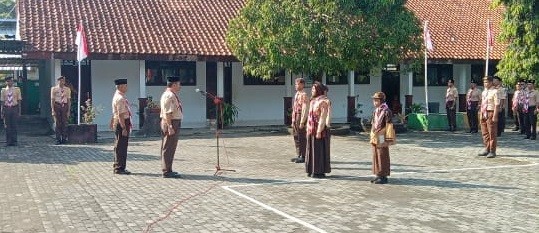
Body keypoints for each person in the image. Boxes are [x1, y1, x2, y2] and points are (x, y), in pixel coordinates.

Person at [305, 82, 331, 178]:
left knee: (319, 151)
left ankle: (319, 171)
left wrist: (319, 131)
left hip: (320, 129)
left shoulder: (323, 101)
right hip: (311, 129)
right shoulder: (313, 101)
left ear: (318, 90)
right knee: (311, 150)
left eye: (313, 89)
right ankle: (311, 169)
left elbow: (323, 117)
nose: (312, 91)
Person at [160, 76, 183, 178]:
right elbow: (168, 113)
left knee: (170, 146)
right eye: (178, 84)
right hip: (171, 122)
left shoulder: (171, 94)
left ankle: (168, 169)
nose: (180, 86)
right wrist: (170, 126)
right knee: (168, 146)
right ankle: (166, 170)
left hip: (173, 122)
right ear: (173, 85)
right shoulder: (169, 96)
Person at [369, 92, 393, 184]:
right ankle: (378, 174)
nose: (374, 102)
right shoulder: (376, 111)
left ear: (381, 100)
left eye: (376, 100)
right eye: (374, 100)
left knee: (382, 154)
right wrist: (372, 134)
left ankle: (383, 176)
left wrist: (388, 139)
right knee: (375, 154)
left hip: (382, 135)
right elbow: (373, 123)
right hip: (375, 135)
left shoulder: (386, 111)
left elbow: (389, 126)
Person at [110, 78, 132, 175]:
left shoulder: (119, 96)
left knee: (120, 145)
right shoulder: (120, 98)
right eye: (125, 85)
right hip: (122, 122)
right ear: (120, 86)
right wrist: (123, 128)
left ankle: (120, 166)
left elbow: (115, 112)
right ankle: (119, 167)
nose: (126, 87)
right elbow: (120, 114)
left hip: (119, 121)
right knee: (121, 146)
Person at [478, 76, 499, 158]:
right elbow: (482, 103)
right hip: (484, 112)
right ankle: (486, 148)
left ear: (491, 82)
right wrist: (480, 114)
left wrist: (495, 116)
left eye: (486, 82)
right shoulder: (484, 92)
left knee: (492, 133)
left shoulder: (495, 91)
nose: (485, 84)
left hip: (491, 112)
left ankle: (492, 150)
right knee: (484, 133)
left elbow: (497, 105)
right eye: (484, 82)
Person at [290, 78, 309, 163]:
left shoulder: (304, 95)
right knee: (296, 136)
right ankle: (299, 154)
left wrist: (302, 121)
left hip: (300, 115)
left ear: (302, 85)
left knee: (301, 136)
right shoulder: (297, 94)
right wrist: (293, 120)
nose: (296, 86)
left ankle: (304, 155)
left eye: (297, 84)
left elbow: (305, 109)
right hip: (296, 115)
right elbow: (294, 108)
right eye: (295, 84)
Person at [1, 76, 22, 146]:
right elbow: (2, 101)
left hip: (14, 107)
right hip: (7, 108)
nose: (10, 82)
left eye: (11, 81)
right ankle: (8, 141)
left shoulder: (17, 89)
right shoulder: (3, 90)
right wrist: (2, 111)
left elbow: (19, 100)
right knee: (7, 126)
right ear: (6, 82)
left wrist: (19, 111)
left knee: (14, 125)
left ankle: (14, 141)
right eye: (8, 81)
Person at [50, 76, 71, 144]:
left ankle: (64, 138)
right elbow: (52, 100)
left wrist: (68, 110)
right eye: (61, 81)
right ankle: (58, 139)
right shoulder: (54, 89)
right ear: (58, 81)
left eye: (63, 81)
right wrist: (53, 109)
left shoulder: (67, 89)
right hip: (57, 105)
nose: (62, 82)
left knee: (64, 123)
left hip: (64, 106)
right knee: (57, 123)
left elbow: (68, 100)